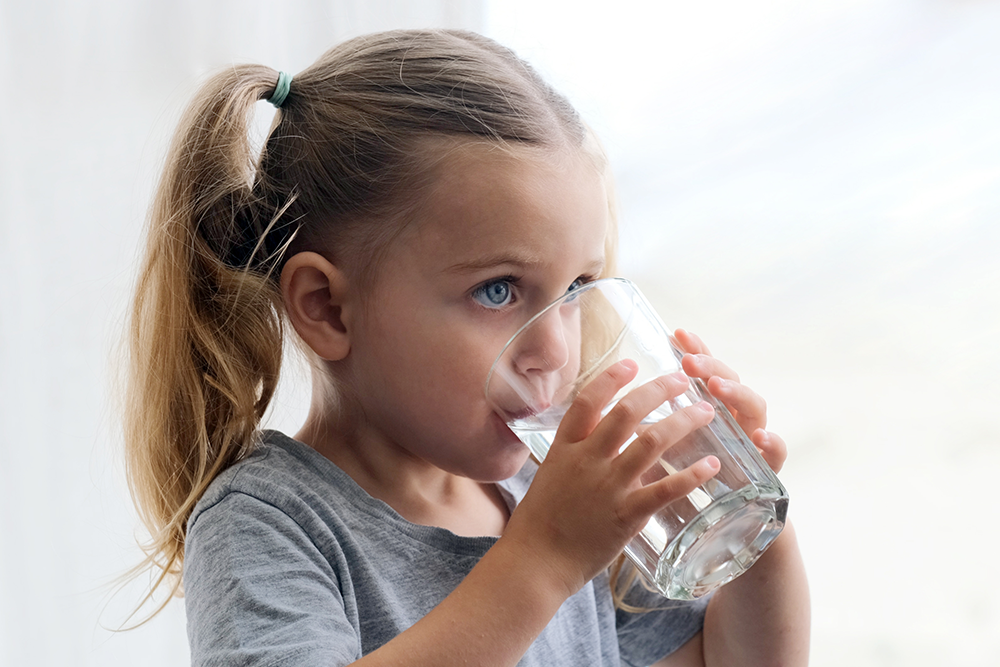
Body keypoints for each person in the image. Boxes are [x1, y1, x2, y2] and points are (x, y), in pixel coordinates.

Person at [123, 28, 809, 666]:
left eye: (576, 286)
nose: (554, 349)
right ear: (327, 307)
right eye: (498, 290)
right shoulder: (267, 522)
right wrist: (541, 559)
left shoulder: (555, 492)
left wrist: (753, 536)